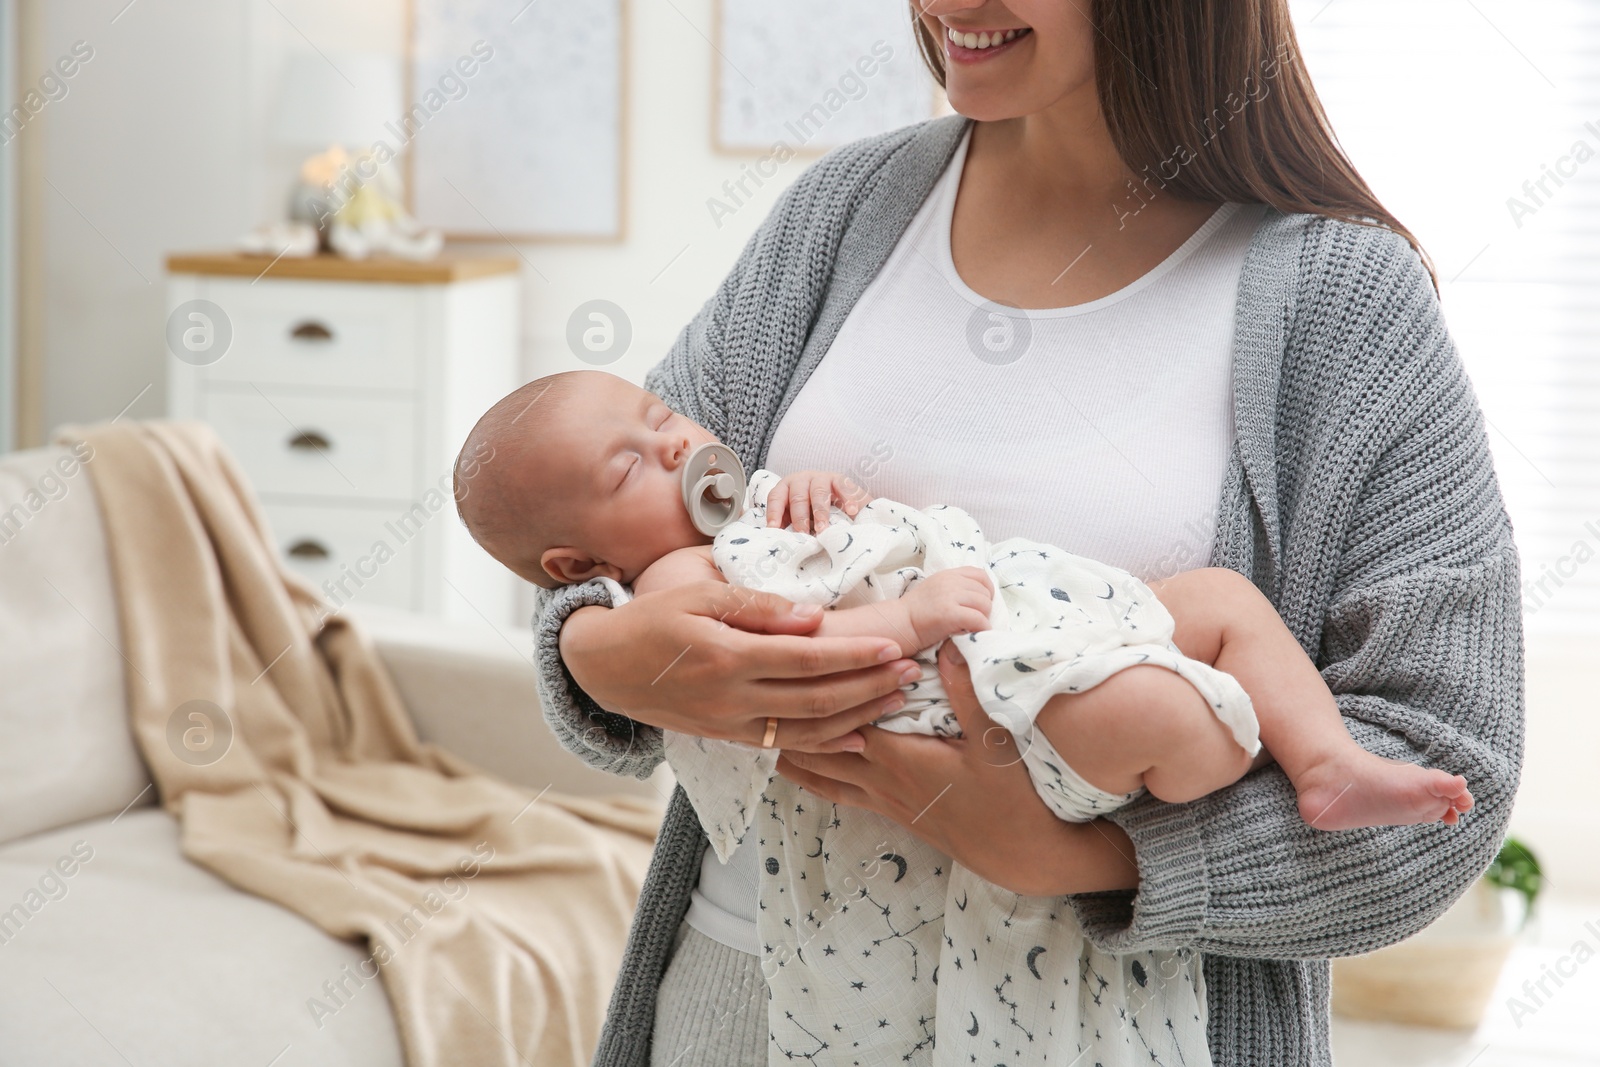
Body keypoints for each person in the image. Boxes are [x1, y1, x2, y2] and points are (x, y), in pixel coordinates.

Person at [528, 3, 1525, 1065]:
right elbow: (595, 520)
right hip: (740, 1002)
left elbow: (1444, 780)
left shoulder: (1337, 299)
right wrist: (597, 655)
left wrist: (1086, 854)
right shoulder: (847, 209)